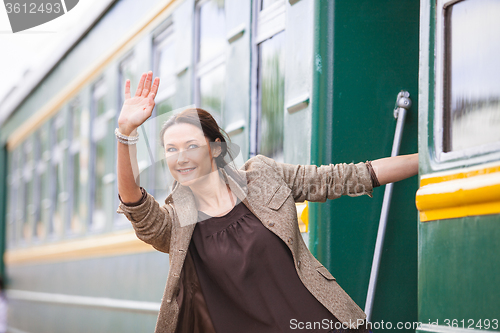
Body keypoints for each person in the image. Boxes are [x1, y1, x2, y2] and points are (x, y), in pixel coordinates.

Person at [116, 71, 418, 333]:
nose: (180, 157)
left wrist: (425, 161)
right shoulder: (176, 221)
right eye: (171, 149)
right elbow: (136, 207)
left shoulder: (261, 175)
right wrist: (126, 133)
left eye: (191, 146)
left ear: (216, 149)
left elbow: (342, 177)